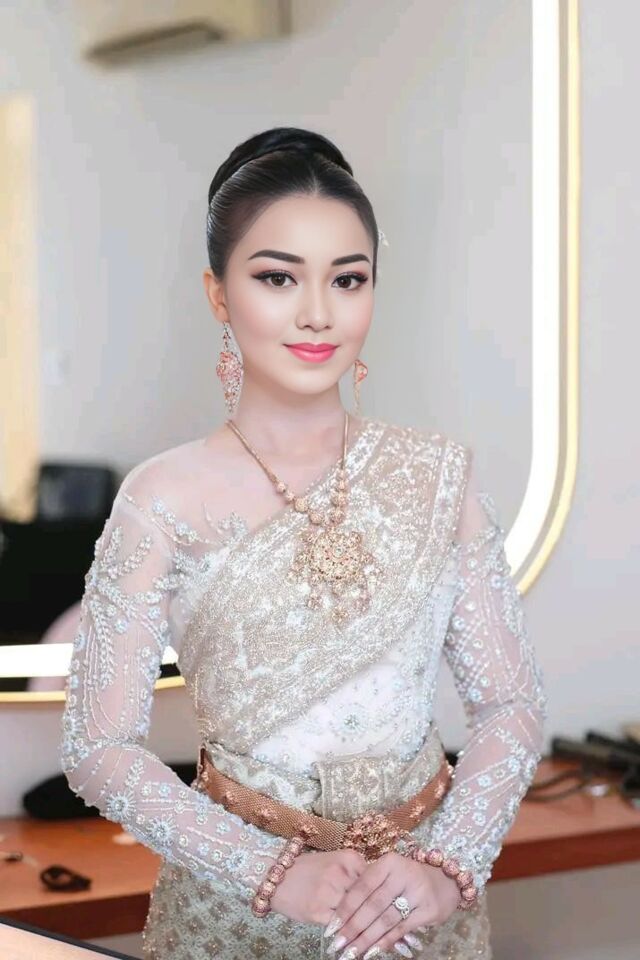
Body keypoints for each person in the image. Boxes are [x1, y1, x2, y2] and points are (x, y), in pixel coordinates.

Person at [59, 126, 548, 960]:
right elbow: (98, 748)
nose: (318, 312)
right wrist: (274, 873)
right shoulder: (161, 499)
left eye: (347, 279)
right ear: (219, 294)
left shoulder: (438, 477)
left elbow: (511, 705)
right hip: (234, 916)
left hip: (420, 914)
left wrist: (449, 867)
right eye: (277, 277)